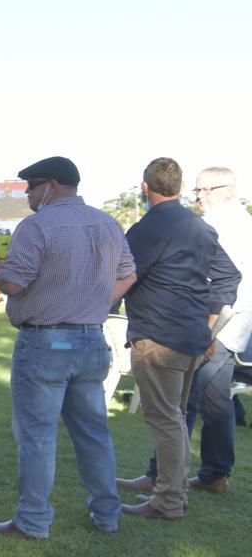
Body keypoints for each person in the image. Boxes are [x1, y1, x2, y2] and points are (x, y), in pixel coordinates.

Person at [0, 157, 135, 539]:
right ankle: (107, 514)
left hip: (45, 342)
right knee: (94, 433)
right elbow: (129, 274)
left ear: (50, 185)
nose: (28, 196)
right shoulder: (108, 223)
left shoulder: (37, 226)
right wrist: (98, 301)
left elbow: (14, 284)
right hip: (91, 340)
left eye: (30, 187)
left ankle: (33, 520)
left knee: (38, 436)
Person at [116, 158, 240, 521]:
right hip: (191, 339)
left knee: (167, 420)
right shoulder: (198, 227)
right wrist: (210, 321)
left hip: (158, 337)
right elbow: (228, 277)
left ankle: (169, 500)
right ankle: (172, 492)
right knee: (174, 416)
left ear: (145, 187)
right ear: (181, 187)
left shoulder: (145, 229)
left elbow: (125, 277)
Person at [184, 168, 250, 493]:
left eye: (205, 190)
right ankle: (215, 474)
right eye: (196, 191)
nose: (198, 196)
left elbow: (217, 280)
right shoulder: (244, 221)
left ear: (228, 189)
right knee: (216, 399)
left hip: (216, 322)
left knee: (183, 398)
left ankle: (163, 476)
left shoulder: (218, 223)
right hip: (234, 323)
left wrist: (206, 328)